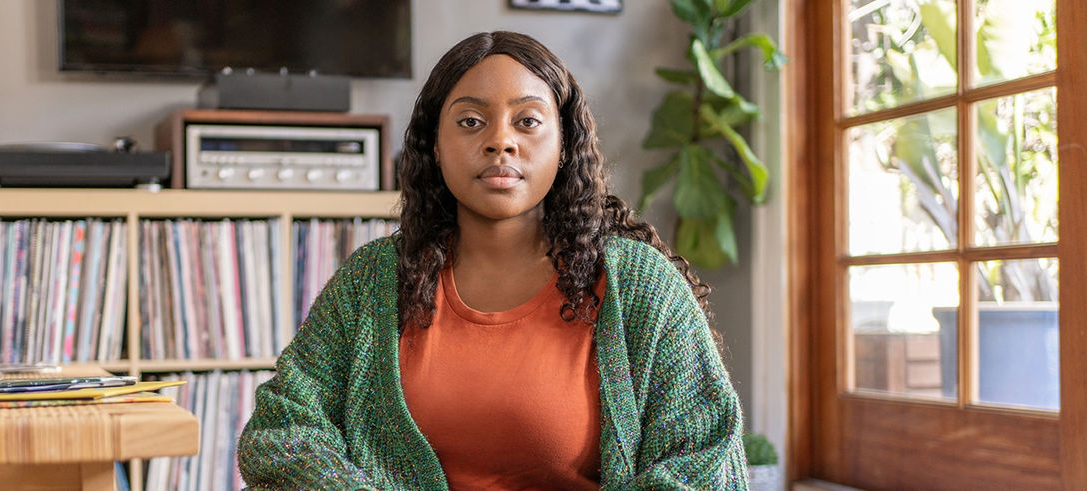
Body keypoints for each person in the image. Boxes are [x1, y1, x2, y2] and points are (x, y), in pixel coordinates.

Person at [237, 31, 748, 489]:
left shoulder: (641, 287)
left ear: (565, 144)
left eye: (527, 121)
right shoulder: (372, 280)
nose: (500, 141)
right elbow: (285, 427)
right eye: (470, 121)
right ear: (435, 145)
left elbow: (703, 463)